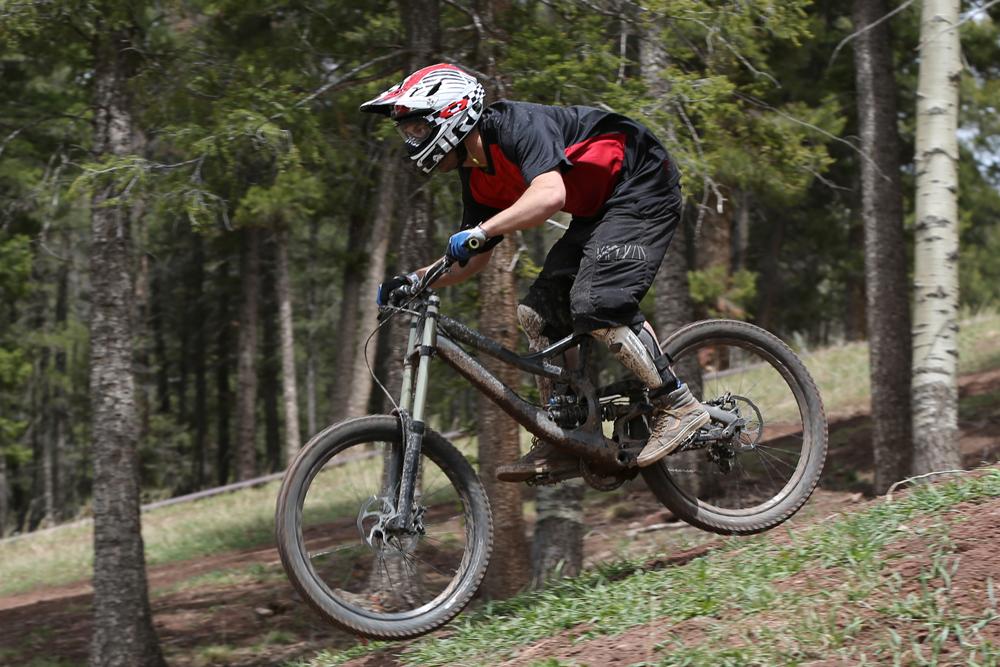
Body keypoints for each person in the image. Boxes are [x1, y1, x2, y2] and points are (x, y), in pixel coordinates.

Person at [362, 63, 709, 483]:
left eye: (416, 128)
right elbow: (472, 257)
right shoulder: (476, 177)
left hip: (642, 184)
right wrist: (417, 280)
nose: (411, 140)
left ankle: (676, 401)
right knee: (537, 314)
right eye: (408, 132)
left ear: (448, 114)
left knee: (597, 303)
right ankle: (567, 433)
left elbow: (550, 195)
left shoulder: (516, 126)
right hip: (599, 209)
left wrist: (483, 229)